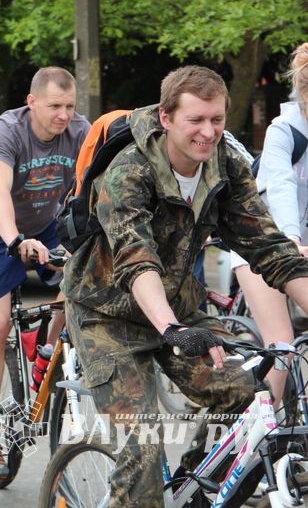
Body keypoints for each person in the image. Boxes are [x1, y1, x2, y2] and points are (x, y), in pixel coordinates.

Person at [62, 66, 308, 507]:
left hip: (179, 305)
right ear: (166, 118)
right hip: (108, 317)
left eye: (216, 119)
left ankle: (193, 493)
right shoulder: (128, 171)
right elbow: (136, 260)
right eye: (195, 120)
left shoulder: (225, 165)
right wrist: (172, 329)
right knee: (144, 444)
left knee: (248, 398)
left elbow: (270, 249)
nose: (208, 132)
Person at [0, 66, 89, 478]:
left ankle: (44, 353)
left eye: (70, 106)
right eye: (55, 106)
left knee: (83, 287)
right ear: (31, 102)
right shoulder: (8, 130)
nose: (64, 115)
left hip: (46, 224)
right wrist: (15, 241)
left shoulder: (80, 131)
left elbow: (95, 184)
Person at [229, 43, 308, 403]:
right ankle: (257, 431)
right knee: (283, 346)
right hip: (260, 245)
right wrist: (290, 237)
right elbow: (281, 188)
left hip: (299, 250)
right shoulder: (284, 131)